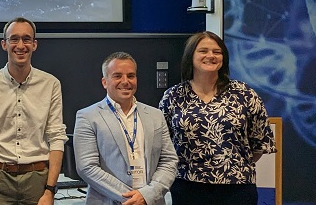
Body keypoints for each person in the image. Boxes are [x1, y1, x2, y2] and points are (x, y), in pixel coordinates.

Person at [159, 31, 276, 204]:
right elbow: (162, 145)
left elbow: (259, 143)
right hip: (187, 187)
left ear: (224, 58)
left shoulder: (244, 94)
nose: (211, 56)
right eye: (203, 51)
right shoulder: (173, 96)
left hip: (237, 189)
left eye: (217, 52)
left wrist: (231, 165)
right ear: (191, 56)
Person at [0, 17, 67, 205]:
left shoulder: (51, 84)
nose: (20, 45)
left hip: (37, 180)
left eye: (26, 39)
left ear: (34, 45)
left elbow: (56, 137)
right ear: (4, 44)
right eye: (14, 39)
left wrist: (50, 191)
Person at [74, 52, 178, 205]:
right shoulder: (88, 117)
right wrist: (131, 198)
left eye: (131, 76)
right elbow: (87, 167)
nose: (125, 81)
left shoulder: (155, 115)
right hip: (108, 201)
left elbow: (169, 160)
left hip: (150, 201)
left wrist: (147, 195)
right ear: (104, 82)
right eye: (117, 76)